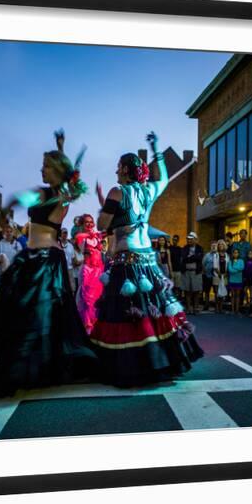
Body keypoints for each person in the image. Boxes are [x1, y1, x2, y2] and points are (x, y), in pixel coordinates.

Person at [0, 129, 98, 396]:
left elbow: (57, 185)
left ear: (57, 170)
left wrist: (61, 149)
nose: (41, 170)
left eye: (46, 166)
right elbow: (23, 198)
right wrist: (60, 147)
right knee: (28, 314)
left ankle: (30, 368)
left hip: (45, 261)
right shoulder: (48, 193)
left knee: (37, 315)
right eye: (42, 165)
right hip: (36, 259)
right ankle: (32, 366)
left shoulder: (55, 196)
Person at [91, 131, 203, 387]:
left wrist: (107, 212)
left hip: (125, 259)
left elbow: (102, 223)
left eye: (119, 167)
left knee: (127, 314)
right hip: (148, 261)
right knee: (155, 310)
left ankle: (133, 365)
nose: (116, 171)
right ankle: (163, 360)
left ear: (127, 170)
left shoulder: (117, 191)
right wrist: (156, 149)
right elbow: (162, 177)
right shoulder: (148, 191)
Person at [75, 214, 106, 334]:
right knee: (87, 299)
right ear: (82, 224)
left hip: (98, 271)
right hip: (88, 271)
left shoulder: (97, 237)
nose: (89, 224)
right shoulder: (82, 237)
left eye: (91, 222)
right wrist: (92, 234)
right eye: (86, 222)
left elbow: (106, 234)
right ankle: (87, 326)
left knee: (98, 298)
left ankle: (97, 322)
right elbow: (78, 237)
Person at [181, 232, 204, 315]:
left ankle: (196, 308)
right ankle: (188, 308)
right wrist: (193, 257)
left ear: (195, 239)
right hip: (186, 272)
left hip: (196, 272)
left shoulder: (200, 248)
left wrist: (189, 258)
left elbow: (199, 258)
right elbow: (184, 258)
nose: (189, 241)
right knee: (187, 291)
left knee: (196, 291)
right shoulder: (184, 248)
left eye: (191, 239)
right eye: (188, 239)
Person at [212, 239, 229, 313]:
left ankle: (221, 308)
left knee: (222, 292)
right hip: (217, 275)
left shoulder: (227, 255)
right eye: (219, 245)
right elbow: (214, 266)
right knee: (216, 292)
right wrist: (219, 274)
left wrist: (225, 273)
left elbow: (228, 265)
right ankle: (216, 307)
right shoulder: (215, 255)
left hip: (224, 275)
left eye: (222, 244)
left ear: (224, 246)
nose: (220, 246)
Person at [58, 227, 77, 293]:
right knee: (61, 286)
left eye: (66, 233)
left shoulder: (70, 246)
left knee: (72, 287)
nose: (65, 234)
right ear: (60, 234)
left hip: (69, 269)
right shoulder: (57, 244)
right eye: (63, 233)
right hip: (60, 269)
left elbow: (73, 258)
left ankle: (72, 297)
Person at [227, 248, 245, 314]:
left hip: (239, 281)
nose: (235, 254)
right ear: (232, 254)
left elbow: (242, 268)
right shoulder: (230, 261)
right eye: (234, 252)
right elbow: (230, 270)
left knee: (238, 296)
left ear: (238, 254)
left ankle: (237, 310)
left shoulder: (241, 261)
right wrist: (237, 269)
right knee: (233, 295)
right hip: (232, 280)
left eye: (237, 252)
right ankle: (232, 309)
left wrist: (234, 268)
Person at [202, 240, 218, 311]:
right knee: (207, 291)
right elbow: (203, 264)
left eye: (215, 246)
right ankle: (206, 305)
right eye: (212, 246)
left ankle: (216, 306)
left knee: (216, 291)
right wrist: (205, 272)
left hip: (216, 276)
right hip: (207, 275)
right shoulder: (207, 255)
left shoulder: (219, 255)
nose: (214, 247)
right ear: (210, 247)